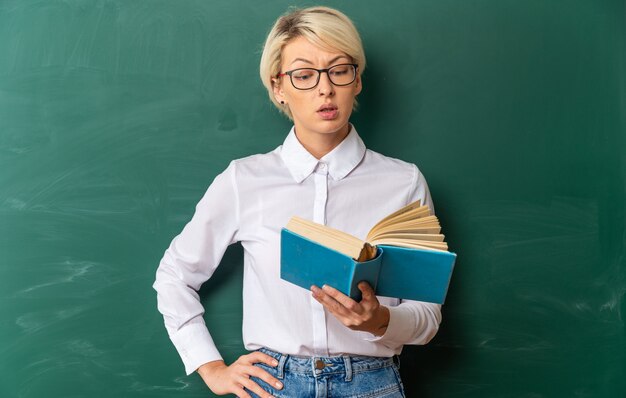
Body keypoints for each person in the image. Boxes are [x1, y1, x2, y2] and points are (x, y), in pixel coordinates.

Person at [153, 6, 441, 398]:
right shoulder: (245, 180)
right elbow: (174, 275)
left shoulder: (403, 182)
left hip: (372, 383)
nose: (325, 89)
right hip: (274, 383)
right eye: (304, 75)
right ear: (278, 87)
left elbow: (428, 316)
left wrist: (379, 320)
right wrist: (211, 367)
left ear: (357, 80)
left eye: (339, 70)